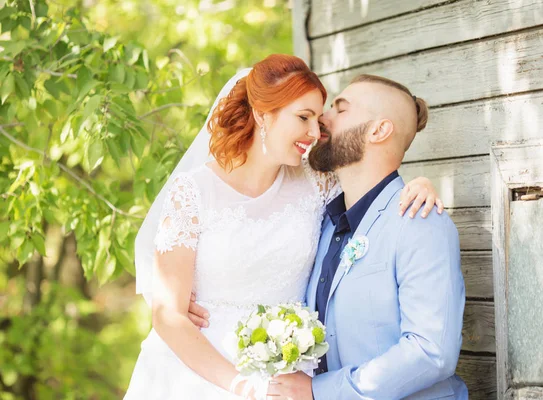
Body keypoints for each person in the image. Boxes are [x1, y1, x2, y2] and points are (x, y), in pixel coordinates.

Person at [125, 55, 442, 400]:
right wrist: (240, 385)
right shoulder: (193, 192)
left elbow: (371, 180)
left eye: (317, 119)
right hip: (199, 371)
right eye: (303, 117)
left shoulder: (317, 182)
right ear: (263, 113)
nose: (314, 131)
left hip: (288, 374)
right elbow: (168, 315)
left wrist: (418, 184)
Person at [264, 75, 468, 399]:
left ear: (379, 130)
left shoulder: (421, 223)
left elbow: (431, 352)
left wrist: (320, 392)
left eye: (339, 110)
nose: (321, 120)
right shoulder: (324, 224)